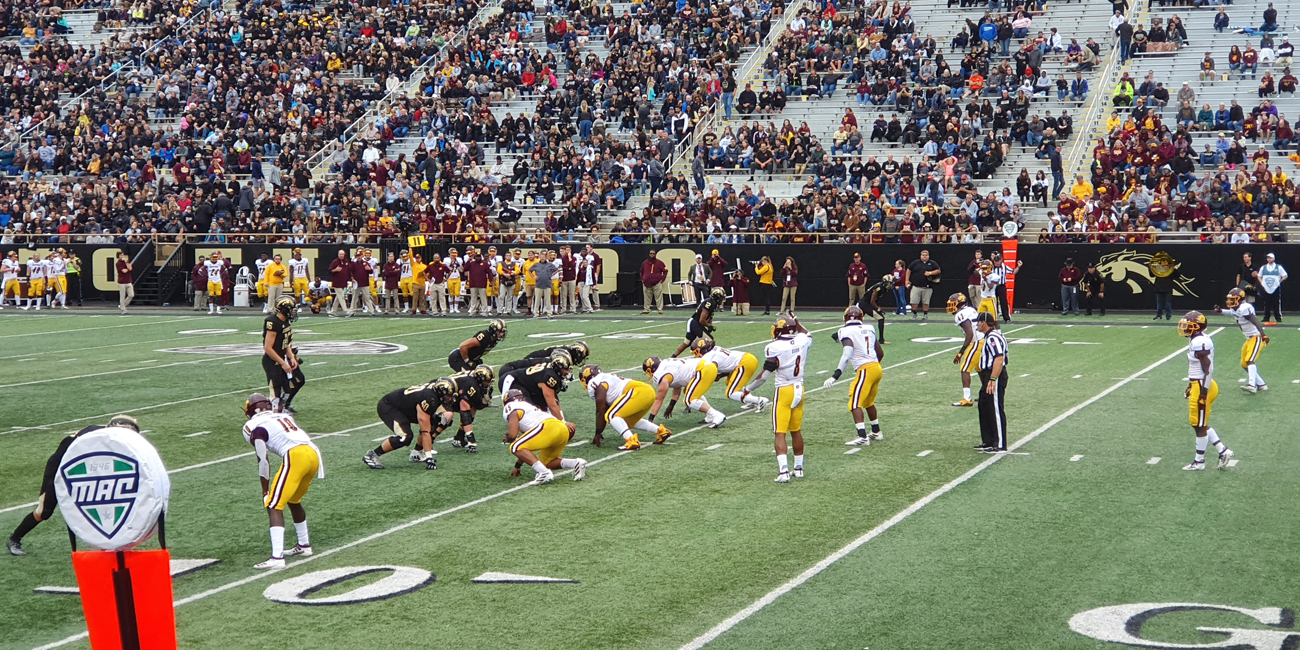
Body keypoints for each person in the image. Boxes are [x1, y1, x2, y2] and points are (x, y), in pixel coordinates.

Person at [7, 416, 138, 556]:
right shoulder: (92, 435)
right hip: (62, 467)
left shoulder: (110, 437)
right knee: (44, 511)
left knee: (105, 501)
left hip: (85, 467)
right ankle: (14, 539)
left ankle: (109, 543)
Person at [242, 395, 322, 569]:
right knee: (293, 500)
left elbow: (263, 461)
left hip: (296, 456)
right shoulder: (283, 416)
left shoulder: (255, 427)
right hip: (313, 454)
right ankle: (304, 545)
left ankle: (277, 558)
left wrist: (265, 491)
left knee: (273, 505)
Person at [744, 316, 812, 483]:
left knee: (780, 432)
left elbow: (764, 376)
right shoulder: (802, 340)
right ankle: (799, 468)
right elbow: (807, 333)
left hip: (784, 391)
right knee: (796, 430)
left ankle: (783, 472)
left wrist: (748, 389)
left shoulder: (774, 347)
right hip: (800, 389)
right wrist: (797, 322)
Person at [1176, 311, 1234, 471]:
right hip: (1199, 384)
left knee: (1199, 425)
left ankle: (1199, 461)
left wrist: (1202, 392)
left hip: (1203, 386)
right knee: (1199, 424)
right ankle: (1223, 450)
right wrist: (1191, 385)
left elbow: (1208, 369)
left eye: (1189, 326)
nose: (1186, 329)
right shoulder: (1197, 339)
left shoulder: (1200, 342)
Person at [363, 378, 457, 470]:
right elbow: (425, 430)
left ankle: (417, 452)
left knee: (435, 421)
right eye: (449, 395)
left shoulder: (435, 389)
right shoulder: (429, 398)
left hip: (407, 408)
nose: (451, 398)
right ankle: (373, 454)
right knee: (405, 437)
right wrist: (429, 458)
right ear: (440, 392)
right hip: (390, 407)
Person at [826, 306, 885, 447]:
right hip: (876, 367)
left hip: (865, 369)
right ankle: (876, 431)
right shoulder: (869, 328)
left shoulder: (845, 331)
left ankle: (862, 436)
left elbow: (847, 355)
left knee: (854, 403)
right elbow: (880, 352)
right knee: (868, 402)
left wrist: (836, 375)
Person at [501, 390, 587, 485]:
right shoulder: (527, 407)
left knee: (515, 446)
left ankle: (544, 473)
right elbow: (526, 446)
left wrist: (509, 438)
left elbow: (512, 435)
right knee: (546, 463)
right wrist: (518, 466)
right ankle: (576, 463)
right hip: (561, 428)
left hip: (548, 427)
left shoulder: (511, 406)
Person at [578, 364, 668, 450]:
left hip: (637, 391)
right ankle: (660, 431)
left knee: (612, 415)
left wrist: (598, 433)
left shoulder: (595, 382)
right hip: (647, 391)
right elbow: (604, 409)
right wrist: (599, 432)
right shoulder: (605, 377)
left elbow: (601, 410)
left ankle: (631, 440)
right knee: (625, 420)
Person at [643, 354, 726, 431]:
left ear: (652, 369)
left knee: (689, 400)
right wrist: (671, 405)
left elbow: (659, 399)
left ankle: (717, 415)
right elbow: (677, 384)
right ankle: (710, 415)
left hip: (703, 369)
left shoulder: (662, 376)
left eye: (648, 372)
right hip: (706, 366)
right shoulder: (666, 366)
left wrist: (650, 419)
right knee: (688, 392)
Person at [1216, 288, 1269, 393]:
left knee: (1250, 360)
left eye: (1233, 299)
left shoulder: (1245, 308)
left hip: (1256, 337)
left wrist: (1263, 335)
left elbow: (1255, 321)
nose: (1230, 301)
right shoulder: (1237, 308)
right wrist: (1220, 311)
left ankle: (1252, 385)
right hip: (1249, 339)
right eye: (1230, 299)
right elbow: (1232, 313)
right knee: (1244, 364)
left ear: (1240, 299)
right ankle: (1261, 384)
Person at [693, 338, 769, 411]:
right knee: (729, 381)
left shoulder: (707, 357)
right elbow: (726, 364)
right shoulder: (714, 349)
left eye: (696, 352)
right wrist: (720, 375)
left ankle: (759, 400)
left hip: (744, 362)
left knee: (731, 393)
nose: (695, 355)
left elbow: (710, 371)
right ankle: (751, 401)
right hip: (746, 359)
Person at [974, 312, 1009, 453]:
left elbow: (999, 358)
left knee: (995, 408)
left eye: (979, 322)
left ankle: (1000, 442)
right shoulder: (989, 336)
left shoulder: (992, 338)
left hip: (995, 373)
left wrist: (993, 379)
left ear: (984, 322)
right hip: (989, 373)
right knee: (984, 405)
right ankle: (988, 440)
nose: (977, 324)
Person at [263, 297, 305, 413]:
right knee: (276, 389)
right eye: (291, 309)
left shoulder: (285, 321)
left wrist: (291, 357)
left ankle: (284, 407)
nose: (293, 312)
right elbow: (268, 348)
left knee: (293, 383)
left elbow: (285, 343)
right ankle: (273, 412)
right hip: (273, 361)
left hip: (283, 358)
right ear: (285, 309)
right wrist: (282, 363)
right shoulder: (273, 322)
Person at [499, 352, 570, 419]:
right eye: (565, 369)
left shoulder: (551, 373)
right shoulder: (549, 376)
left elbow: (555, 400)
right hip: (511, 381)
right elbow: (552, 405)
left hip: (525, 384)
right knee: (526, 411)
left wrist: (561, 417)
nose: (568, 372)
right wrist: (562, 423)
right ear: (558, 368)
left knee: (543, 410)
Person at [947, 293, 982, 407]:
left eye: (953, 303)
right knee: (980, 368)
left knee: (964, 369)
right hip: (983, 340)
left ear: (959, 303)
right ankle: (987, 395)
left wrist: (961, 352)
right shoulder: (970, 309)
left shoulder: (961, 314)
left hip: (977, 341)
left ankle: (967, 399)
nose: (951, 305)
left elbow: (970, 334)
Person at [673, 287, 724, 357]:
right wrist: (710, 326)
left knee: (687, 343)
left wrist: (709, 325)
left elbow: (709, 318)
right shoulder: (709, 303)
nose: (722, 299)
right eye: (721, 297)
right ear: (717, 297)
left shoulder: (713, 303)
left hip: (695, 323)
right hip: (695, 323)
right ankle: (706, 359)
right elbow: (702, 320)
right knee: (710, 341)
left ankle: (672, 357)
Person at [855, 277, 894, 344]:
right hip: (865, 304)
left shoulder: (882, 288)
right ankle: (881, 340)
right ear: (884, 282)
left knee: (856, 321)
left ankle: (836, 336)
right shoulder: (879, 288)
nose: (890, 284)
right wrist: (878, 309)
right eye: (888, 283)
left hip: (865, 303)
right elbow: (872, 301)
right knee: (881, 318)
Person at [907, 250, 941, 320]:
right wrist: (907, 280)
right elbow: (908, 270)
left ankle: (925, 315)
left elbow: (938, 270)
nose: (924, 257)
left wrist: (930, 273)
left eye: (926, 255)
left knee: (926, 302)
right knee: (914, 301)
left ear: (928, 256)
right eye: (923, 255)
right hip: (916, 286)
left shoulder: (932, 263)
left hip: (927, 287)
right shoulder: (915, 263)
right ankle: (914, 314)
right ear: (920, 256)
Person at [1256, 252, 1287, 322]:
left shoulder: (1278, 267)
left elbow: (1285, 275)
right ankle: (1266, 317)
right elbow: (1259, 276)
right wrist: (1262, 283)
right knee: (1266, 303)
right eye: (1268, 258)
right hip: (1266, 288)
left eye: (1270, 258)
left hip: (1275, 288)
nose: (1269, 259)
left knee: (1276, 303)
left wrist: (1279, 281)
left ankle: (1278, 317)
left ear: (1274, 259)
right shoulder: (1263, 267)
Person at [640, 249, 667, 314]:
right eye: (651, 253)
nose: (652, 255)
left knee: (658, 297)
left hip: (657, 283)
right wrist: (643, 279)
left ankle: (660, 309)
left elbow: (665, 271)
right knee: (647, 297)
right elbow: (641, 271)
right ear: (649, 254)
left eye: (653, 253)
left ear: (655, 254)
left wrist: (662, 280)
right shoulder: (645, 263)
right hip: (646, 283)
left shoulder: (660, 263)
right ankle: (646, 309)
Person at [530, 252, 555, 318]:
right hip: (538, 284)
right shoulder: (536, 265)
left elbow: (556, 269)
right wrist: (533, 276)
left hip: (547, 284)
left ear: (546, 257)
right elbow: (530, 270)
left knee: (548, 299)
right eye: (541, 257)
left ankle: (549, 312)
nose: (542, 258)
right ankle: (536, 313)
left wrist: (551, 275)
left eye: (543, 257)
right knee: (537, 299)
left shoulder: (550, 264)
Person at [328, 249, 353, 317]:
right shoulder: (335, 262)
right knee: (341, 297)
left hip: (344, 282)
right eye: (340, 254)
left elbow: (349, 271)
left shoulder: (346, 262)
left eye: (342, 254)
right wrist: (335, 270)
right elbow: (330, 271)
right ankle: (346, 311)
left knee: (338, 297)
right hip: (337, 282)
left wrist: (351, 278)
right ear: (338, 255)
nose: (341, 256)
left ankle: (332, 311)